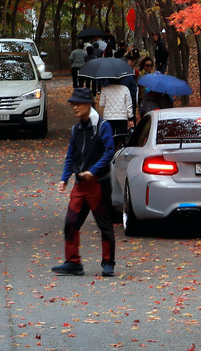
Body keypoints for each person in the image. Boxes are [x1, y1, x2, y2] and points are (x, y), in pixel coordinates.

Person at [53, 88, 116, 277]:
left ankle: (108, 263)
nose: (74, 108)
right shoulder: (76, 129)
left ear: (89, 104)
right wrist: (64, 178)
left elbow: (109, 151)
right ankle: (73, 263)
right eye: (73, 104)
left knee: (104, 225)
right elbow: (71, 155)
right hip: (80, 185)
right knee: (70, 222)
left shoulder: (102, 126)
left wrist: (93, 171)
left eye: (78, 104)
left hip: (99, 183)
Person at [98, 74, 134, 142]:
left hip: (108, 118)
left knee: (109, 138)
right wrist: (130, 118)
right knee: (121, 139)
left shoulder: (105, 89)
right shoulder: (125, 89)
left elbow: (101, 104)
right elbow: (129, 105)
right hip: (122, 118)